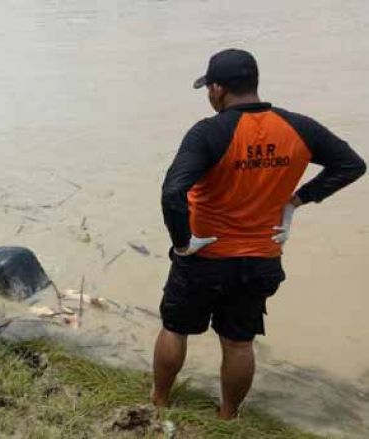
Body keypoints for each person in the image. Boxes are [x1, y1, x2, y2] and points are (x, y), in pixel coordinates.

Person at [153, 48, 366, 419]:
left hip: (205, 257)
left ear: (218, 89)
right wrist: (296, 201)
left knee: (175, 328)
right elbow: (351, 165)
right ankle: (228, 415)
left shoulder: (209, 132)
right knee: (238, 343)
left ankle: (158, 401)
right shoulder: (298, 127)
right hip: (259, 259)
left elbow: (172, 192)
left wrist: (183, 242)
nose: (209, 95)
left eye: (209, 88)